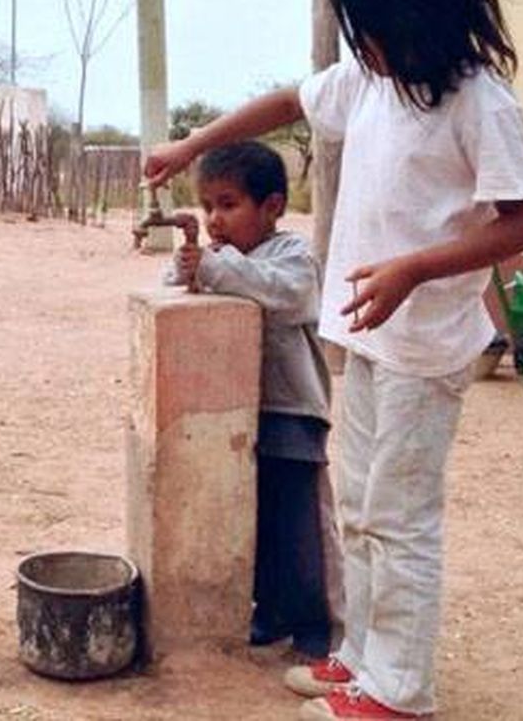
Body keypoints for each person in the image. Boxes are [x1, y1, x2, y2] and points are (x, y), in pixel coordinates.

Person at [145, 0, 523, 717]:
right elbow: (289, 99)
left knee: (399, 516)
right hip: (363, 333)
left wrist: (415, 268)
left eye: (372, 27)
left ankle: (400, 692)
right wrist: (195, 143)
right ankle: (362, 659)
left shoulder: (478, 103)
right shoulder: (371, 83)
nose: (362, 45)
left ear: (423, 14)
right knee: (360, 504)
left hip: (424, 345)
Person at [164, 140, 342, 663]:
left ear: (273, 208)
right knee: (255, 520)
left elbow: (286, 296)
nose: (215, 219)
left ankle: (316, 624)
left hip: (292, 410)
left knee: (300, 525)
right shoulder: (222, 257)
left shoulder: (292, 257)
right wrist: (187, 267)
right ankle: (271, 611)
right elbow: (177, 288)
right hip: (239, 413)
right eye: (208, 206)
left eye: (228, 204)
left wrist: (213, 267)